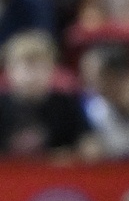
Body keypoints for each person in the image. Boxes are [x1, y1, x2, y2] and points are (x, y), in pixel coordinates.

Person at [0, 29, 91, 157]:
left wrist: (73, 154)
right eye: (25, 66)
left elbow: (89, 144)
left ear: (52, 69)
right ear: (9, 70)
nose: (31, 74)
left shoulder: (67, 104)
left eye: (40, 66)